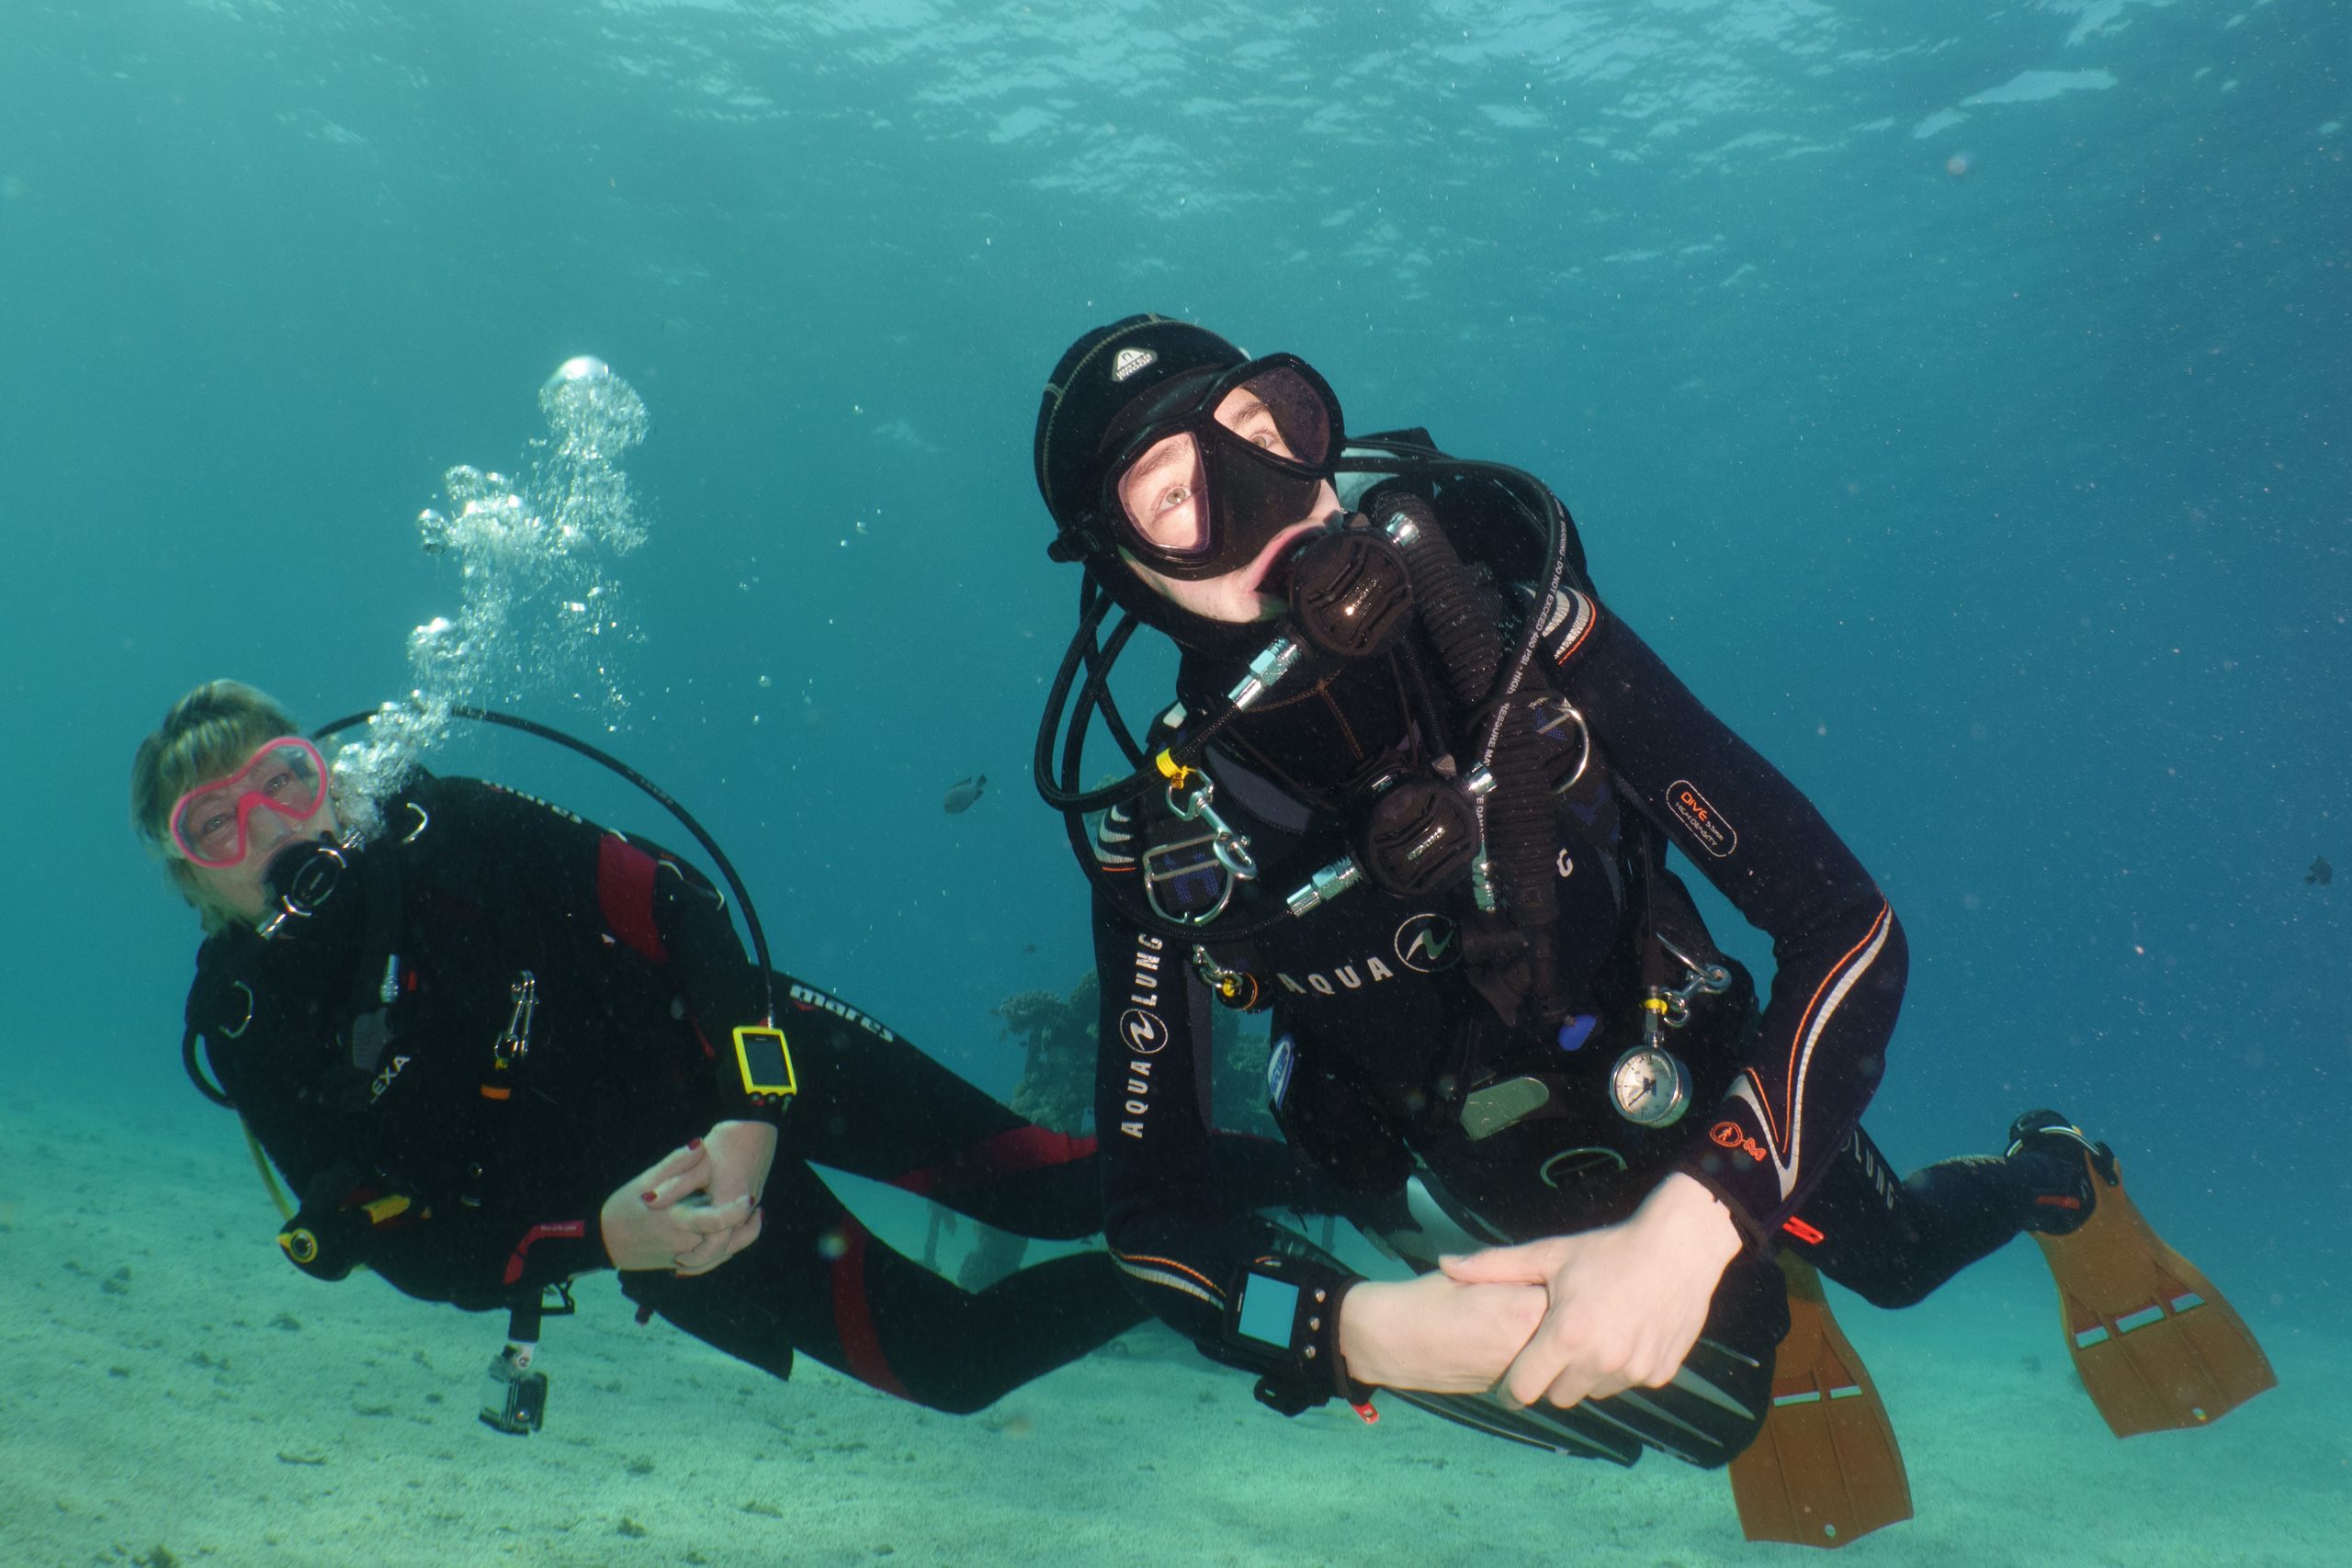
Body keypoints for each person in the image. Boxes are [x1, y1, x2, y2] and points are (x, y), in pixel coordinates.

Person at [1025, 315, 2269, 1488]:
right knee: (1714, 1405)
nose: (1255, 498)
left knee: (1894, 1263)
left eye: (1265, 428)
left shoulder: (1522, 640)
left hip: (1695, 1076)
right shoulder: (1168, 843)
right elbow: (1153, 1215)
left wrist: (1704, 1215)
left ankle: (2051, 1171)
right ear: (1122, 568)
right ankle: (1746, 1286)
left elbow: (1845, 927)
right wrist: (1354, 1331)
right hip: (1474, 1174)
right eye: (1176, 496)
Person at [133, 679, 1321, 1424]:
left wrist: (752, 1109)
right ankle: (1231, 1258)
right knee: (953, 1367)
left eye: (283, 780)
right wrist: (601, 1240)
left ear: (325, 776)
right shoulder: (249, 1034)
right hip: (663, 1218)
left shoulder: (457, 831)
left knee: (1052, 1181)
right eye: (217, 825)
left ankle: (1363, 1173)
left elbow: (684, 903)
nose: (272, 828)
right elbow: (403, 1248)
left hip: (739, 1058)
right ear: (187, 874)